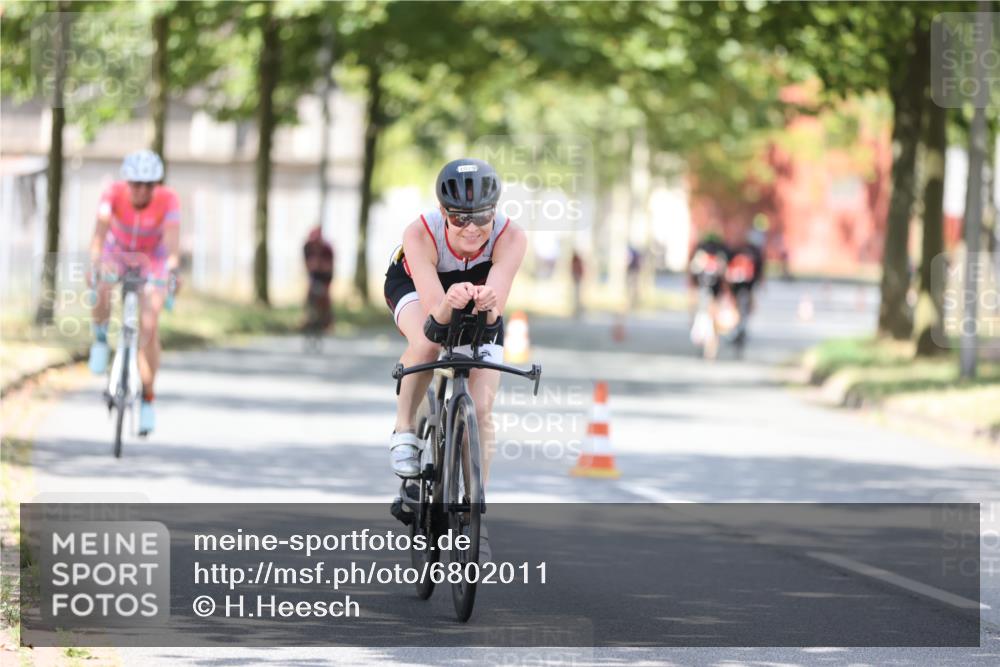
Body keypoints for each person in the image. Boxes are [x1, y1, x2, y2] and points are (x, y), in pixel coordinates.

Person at [383, 158, 526, 490]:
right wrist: (448, 303)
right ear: (442, 211)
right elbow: (435, 317)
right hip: (416, 286)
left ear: (495, 210)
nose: (472, 228)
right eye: (460, 218)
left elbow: (493, 317)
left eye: (482, 216)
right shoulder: (420, 233)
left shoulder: (512, 237)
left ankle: (476, 509)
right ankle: (405, 430)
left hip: (478, 291)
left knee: (482, 408)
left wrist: (488, 308)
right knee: (428, 343)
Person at [87, 150, 180, 436]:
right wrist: (95, 264)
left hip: (152, 258)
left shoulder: (168, 199)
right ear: (126, 183)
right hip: (117, 252)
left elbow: (173, 244)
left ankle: (148, 397)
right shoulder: (112, 194)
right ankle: (101, 340)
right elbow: (99, 236)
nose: (141, 190)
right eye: (136, 184)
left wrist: (173, 273)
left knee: (149, 324)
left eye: (149, 185)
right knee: (102, 287)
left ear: (156, 185)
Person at [687, 231, 729, 359]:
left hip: (713, 296)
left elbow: (722, 281)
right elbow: (693, 278)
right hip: (703, 295)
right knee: (702, 321)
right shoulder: (700, 262)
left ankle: (710, 349)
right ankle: (706, 344)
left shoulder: (717, 262)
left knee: (712, 322)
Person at [303, 226, 334, 333]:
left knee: (325, 296)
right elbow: (309, 265)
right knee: (309, 293)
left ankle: (328, 321)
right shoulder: (307, 247)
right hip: (314, 275)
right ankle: (307, 316)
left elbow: (328, 267)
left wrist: (319, 265)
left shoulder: (327, 248)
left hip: (326, 276)